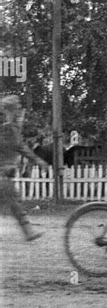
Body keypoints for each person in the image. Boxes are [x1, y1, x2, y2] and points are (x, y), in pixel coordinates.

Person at [0, 95, 48, 241]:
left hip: (5, 172)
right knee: (14, 200)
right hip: (3, 172)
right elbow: (19, 147)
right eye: (17, 108)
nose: (19, 111)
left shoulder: (11, 127)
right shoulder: (6, 128)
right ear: (11, 109)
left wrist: (39, 161)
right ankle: (28, 231)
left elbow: (21, 147)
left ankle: (28, 231)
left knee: (9, 200)